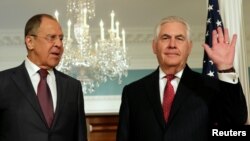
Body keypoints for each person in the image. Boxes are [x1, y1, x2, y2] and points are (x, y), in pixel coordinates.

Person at [116, 16, 248, 141]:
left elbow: (237, 121)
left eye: (179, 38)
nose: (172, 44)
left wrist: (225, 67)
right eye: (165, 38)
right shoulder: (133, 92)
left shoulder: (209, 87)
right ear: (154, 46)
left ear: (189, 47)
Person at [0, 14, 87, 141]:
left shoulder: (73, 87)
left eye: (61, 39)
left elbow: (80, 136)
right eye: (51, 37)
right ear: (30, 42)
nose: (59, 44)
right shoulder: (3, 82)